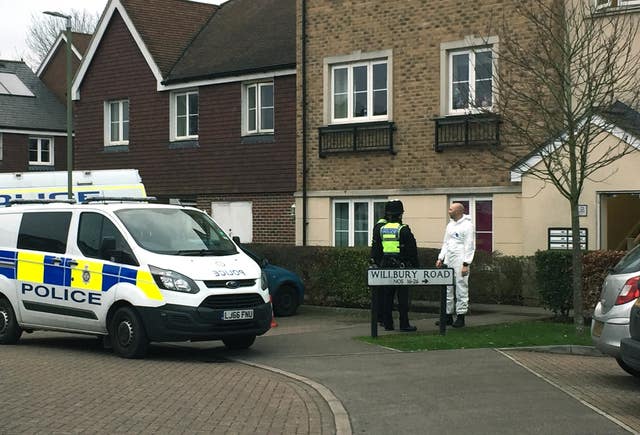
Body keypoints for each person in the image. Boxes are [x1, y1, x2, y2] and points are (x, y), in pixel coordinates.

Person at [370, 199, 418, 332]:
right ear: (400, 214)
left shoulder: (381, 229)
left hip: (385, 264)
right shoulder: (403, 230)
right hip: (400, 266)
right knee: (402, 297)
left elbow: (376, 248)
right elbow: (412, 251)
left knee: (387, 296)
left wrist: (376, 263)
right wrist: (415, 266)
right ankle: (404, 324)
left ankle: (388, 324)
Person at [436, 202, 475, 328]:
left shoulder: (468, 226)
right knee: (448, 287)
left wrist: (466, 263)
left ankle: (460, 316)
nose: (448, 211)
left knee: (461, 287)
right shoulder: (450, 225)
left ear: (458, 211)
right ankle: (447, 315)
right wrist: (441, 258)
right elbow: (446, 243)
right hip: (449, 259)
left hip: (460, 260)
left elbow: (469, 245)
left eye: (451, 209)